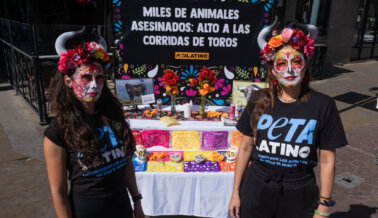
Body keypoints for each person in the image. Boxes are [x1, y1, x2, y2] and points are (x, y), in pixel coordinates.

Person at [229, 22, 348, 218]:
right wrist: (235, 193)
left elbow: (327, 160)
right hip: (256, 189)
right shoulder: (258, 100)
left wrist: (324, 207)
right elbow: (245, 148)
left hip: (299, 194)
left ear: (306, 65)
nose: (290, 70)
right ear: (274, 70)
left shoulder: (323, 105)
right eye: (282, 63)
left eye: (296, 62)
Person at [44, 30, 144, 218]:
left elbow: (127, 161)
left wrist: (137, 201)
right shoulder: (58, 131)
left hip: (122, 210)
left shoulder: (113, 116)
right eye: (86, 77)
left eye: (99, 78)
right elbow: (58, 192)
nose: (94, 85)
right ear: (68, 81)